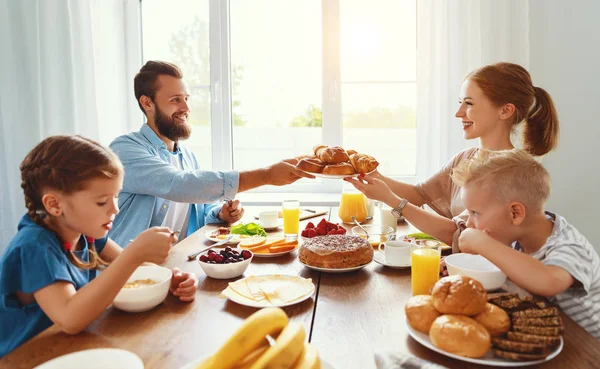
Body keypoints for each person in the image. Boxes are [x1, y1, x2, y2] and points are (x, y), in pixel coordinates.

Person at [0, 136, 198, 357]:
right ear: (55, 204)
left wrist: (170, 280)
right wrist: (133, 254)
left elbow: (137, 271)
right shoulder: (34, 247)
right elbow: (69, 318)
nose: (114, 209)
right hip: (26, 358)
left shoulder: (83, 230)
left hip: (71, 348)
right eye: (102, 201)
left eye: (116, 197)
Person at [345, 62, 560, 247]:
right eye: (460, 103)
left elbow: (458, 234)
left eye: (469, 103)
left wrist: (390, 200)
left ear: (505, 111)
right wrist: (373, 175)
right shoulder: (466, 157)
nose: (459, 113)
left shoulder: (514, 171)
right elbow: (419, 195)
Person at [109, 61, 314, 246]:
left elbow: (201, 205)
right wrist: (266, 175)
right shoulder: (125, 149)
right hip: (130, 273)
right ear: (147, 103)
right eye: (175, 100)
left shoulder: (187, 157)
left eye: (186, 98)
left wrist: (221, 213)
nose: (186, 107)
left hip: (176, 264)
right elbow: (179, 184)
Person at [453, 149, 599, 339]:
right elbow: (509, 268)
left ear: (515, 213)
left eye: (475, 213)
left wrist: (481, 242)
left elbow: (548, 281)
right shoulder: (515, 237)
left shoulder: (570, 246)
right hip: (545, 334)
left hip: (587, 350)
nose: (470, 223)